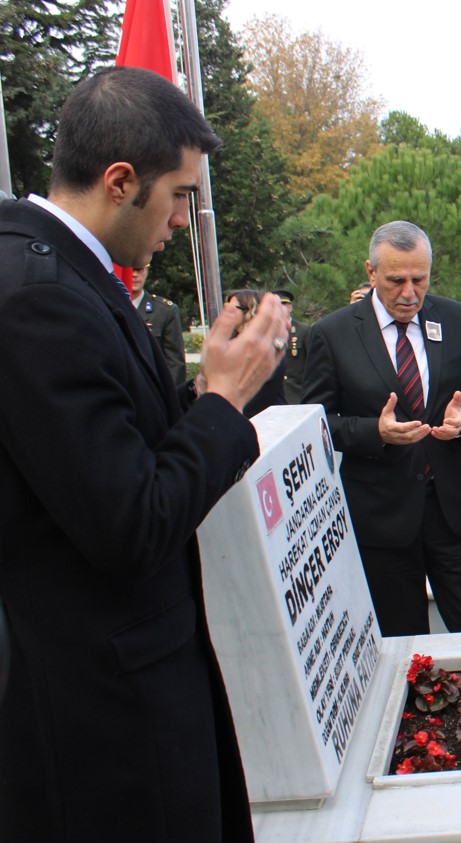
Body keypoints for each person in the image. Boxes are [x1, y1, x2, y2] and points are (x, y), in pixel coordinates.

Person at [0, 66, 289, 841]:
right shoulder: (38, 296)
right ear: (121, 181)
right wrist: (222, 404)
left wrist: (204, 396)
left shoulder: (68, 273)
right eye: (179, 197)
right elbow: (129, 519)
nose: (181, 222)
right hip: (105, 722)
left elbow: (122, 450)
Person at [303, 221, 461, 637]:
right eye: (396, 280)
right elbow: (317, 421)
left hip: (453, 510)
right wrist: (375, 432)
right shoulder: (333, 334)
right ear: (371, 273)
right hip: (382, 517)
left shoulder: (454, 316)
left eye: (420, 279)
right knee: (401, 643)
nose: (410, 293)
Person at [224, 289, 288, 418]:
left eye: (231, 309)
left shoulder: (267, 346)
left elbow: (258, 395)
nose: (225, 313)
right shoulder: (232, 342)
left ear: (248, 310)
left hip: (266, 420)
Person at [130, 261, 187, 385]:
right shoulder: (107, 307)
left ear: (146, 271)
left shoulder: (165, 311)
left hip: (153, 391)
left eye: (139, 269)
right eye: (130, 269)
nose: (134, 275)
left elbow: (175, 365)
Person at [275, 287, 312, 404]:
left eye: (283, 305)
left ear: (290, 307)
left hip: (298, 397)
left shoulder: (304, 331)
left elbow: (313, 365)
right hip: (274, 401)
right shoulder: (265, 333)